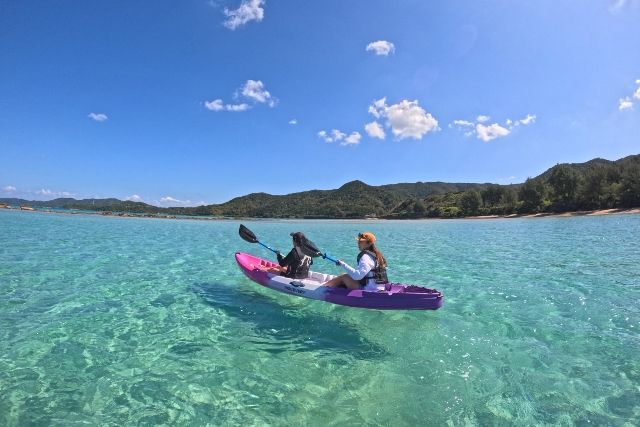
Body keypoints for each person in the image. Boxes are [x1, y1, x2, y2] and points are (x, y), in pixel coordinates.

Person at [323, 232, 389, 290]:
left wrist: (343, 264)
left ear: (369, 243)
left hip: (369, 290)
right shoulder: (378, 255)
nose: (358, 243)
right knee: (345, 274)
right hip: (380, 288)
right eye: (358, 241)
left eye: (361, 242)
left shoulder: (366, 257)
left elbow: (357, 276)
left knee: (344, 277)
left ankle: (321, 289)